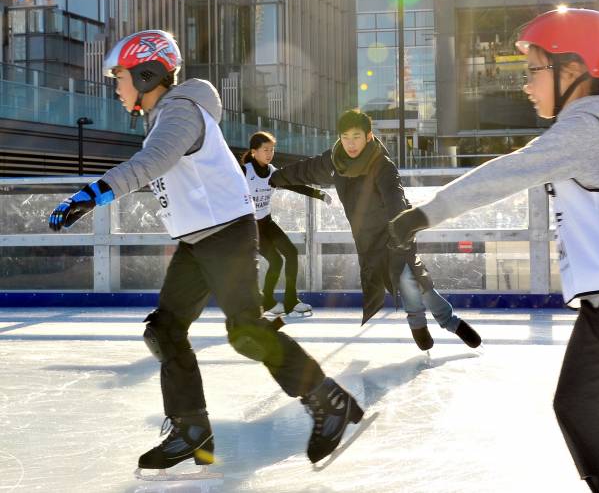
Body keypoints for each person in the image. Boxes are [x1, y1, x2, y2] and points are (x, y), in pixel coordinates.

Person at [389, 9, 599, 492]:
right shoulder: (594, 128)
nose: (525, 85)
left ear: (572, 71)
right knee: (584, 409)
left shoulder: (585, 130)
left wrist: (427, 213)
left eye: (533, 70)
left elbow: (509, 171)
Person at [47, 30, 363, 472]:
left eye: (118, 76)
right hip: (199, 240)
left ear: (146, 73)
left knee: (246, 332)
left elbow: (150, 164)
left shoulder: (180, 112)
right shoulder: (167, 115)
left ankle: (329, 401)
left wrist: (89, 195)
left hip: (224, 235)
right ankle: (192, 431)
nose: (115, 86)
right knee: (165, 330)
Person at [269, 109, 482, 351]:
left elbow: (395, 199)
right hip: (367, 241)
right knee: (407, 282)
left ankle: (445, 322)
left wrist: (400, 231)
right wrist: (276, 178)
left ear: (368, 136)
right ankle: (428, 324)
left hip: (395, 233)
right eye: (345, 137)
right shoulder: (335, 159)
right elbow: (306, 170)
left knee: (411, 280)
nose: (350, 144)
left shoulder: (381, 165)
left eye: (356, 137)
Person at [241, 130, 332, 322]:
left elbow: (295, 184)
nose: (269, 153)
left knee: (290, 253)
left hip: (267, 222)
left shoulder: (273, 172)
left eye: (272, 150)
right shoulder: (244, 172)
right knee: (276, 261)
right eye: (265, 149)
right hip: (250, 228)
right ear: (253, 152)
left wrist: (319, 194)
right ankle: (267, 302)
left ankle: (290, 301)